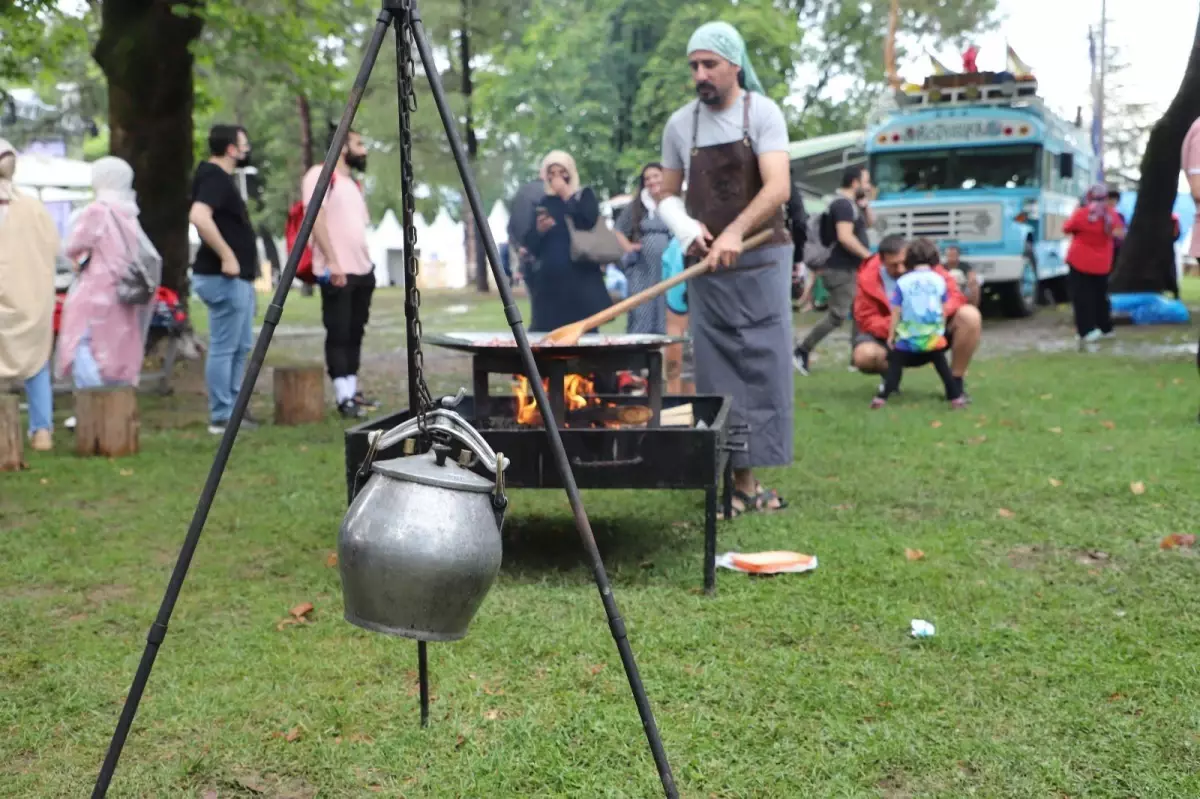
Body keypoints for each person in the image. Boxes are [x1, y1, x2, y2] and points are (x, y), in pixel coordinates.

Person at [658, 21, 793, 518]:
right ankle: (738, 482)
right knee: (717, 371)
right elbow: (666, 195)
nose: (700, 74)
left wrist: (737, 230)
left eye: (709, 64)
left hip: (762, 258)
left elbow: (777, 187)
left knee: (763, 367)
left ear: (734, 65)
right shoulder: (680, 125)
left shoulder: (764, 114)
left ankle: (750, 481)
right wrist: (687, 229)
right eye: (694, 65)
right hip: (708, 266)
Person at [58, 157, 161, 391]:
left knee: (81, 344)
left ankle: (95, 400)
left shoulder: (97, 211)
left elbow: (72, 246)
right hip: (124, 289)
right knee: (116, 346)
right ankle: (115, 398)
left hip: (96, 288)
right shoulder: (129, 212)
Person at [189, 124, 260, 435]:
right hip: (222, 277)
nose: (246, 150)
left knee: (241, 344)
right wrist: (228, 256)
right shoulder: (214, 176)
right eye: (243, 144)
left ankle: (233, 409)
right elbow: (199, 216)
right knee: (224, 345)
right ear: (231, 149)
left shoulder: (221, 179)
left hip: (238, 279)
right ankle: (221, 416)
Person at [302, 127, 378, 419]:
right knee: (339, 332)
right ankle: (342, 396)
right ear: (342, 146)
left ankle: (353, 391)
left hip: (361, 270)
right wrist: (333, 262)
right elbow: (315, 219)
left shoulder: (352, 184)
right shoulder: (319, 175)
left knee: (356, 331)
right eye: (359, 143)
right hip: (337, 270)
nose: (364, 150)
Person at [852, 234, 982, 401]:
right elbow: (866, 318)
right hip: (895, 340)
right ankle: (891, 379)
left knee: (970, 316)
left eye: (903, 263)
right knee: (864, 356)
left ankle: (956, 383)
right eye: (893, 265)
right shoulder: (867, 278)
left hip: (932, 333)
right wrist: (902, 326)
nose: (900, 269)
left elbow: (954, 295)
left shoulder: (927, 268)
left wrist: (936, 314)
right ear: (882, 261)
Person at [0, 139, 60, 451]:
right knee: (36, 365)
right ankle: (42, 431)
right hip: (30, 298)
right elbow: (52, 249)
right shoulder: (35, 209)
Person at [792, 165, 874, 375]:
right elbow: (845, 236)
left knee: (859, 310)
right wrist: (869, 257)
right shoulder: (842, 205)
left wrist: (865, 205)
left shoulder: (852, 205)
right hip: (840, 268)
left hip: (849, 267)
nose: (868, 185)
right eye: (865, 181)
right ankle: (802, 350)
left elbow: (870, 224)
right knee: (838, 315)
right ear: (854, 182)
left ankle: (858, 356)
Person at [521, 150, 612, 333]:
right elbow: (531, 245)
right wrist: (539, 230)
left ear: (570, 172)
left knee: (582, 332)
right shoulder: (543, 202)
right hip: (550, 283)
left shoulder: (583, 196)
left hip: (581, 279)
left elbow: (587, 220)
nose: (556, 177)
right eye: (551, 172)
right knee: (546, 333)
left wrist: (566, 193)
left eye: (561, 171)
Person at [871, 238, 965, 410]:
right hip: (932, 336)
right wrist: (940, 330)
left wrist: (892, 335)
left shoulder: (903, 282)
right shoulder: (939, 280)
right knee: (942, 367)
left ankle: (882, 396)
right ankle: (955, 397)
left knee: (895, 366)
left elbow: (896, 311)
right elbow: (943, 307)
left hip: (908, 336)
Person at [613, 163, 672, 334]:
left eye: (655, 176)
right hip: (642, 270)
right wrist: (629, 247)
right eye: (647, 178)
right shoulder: (637, 205)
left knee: (666, 312)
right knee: (641, 312)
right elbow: (618, 230)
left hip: (668, 271)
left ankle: (666, 358)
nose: (652, 181)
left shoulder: (673, 203)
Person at [1064, 184, 1124, 344]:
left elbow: (1066, 228)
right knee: (1100, 296)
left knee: (1082, 297)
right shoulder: (1111, 214)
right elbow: (1119, 233)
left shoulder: (1082, 213)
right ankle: (1105, 328)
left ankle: (1086, 330)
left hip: (1079, 261)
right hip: (1102, 263)